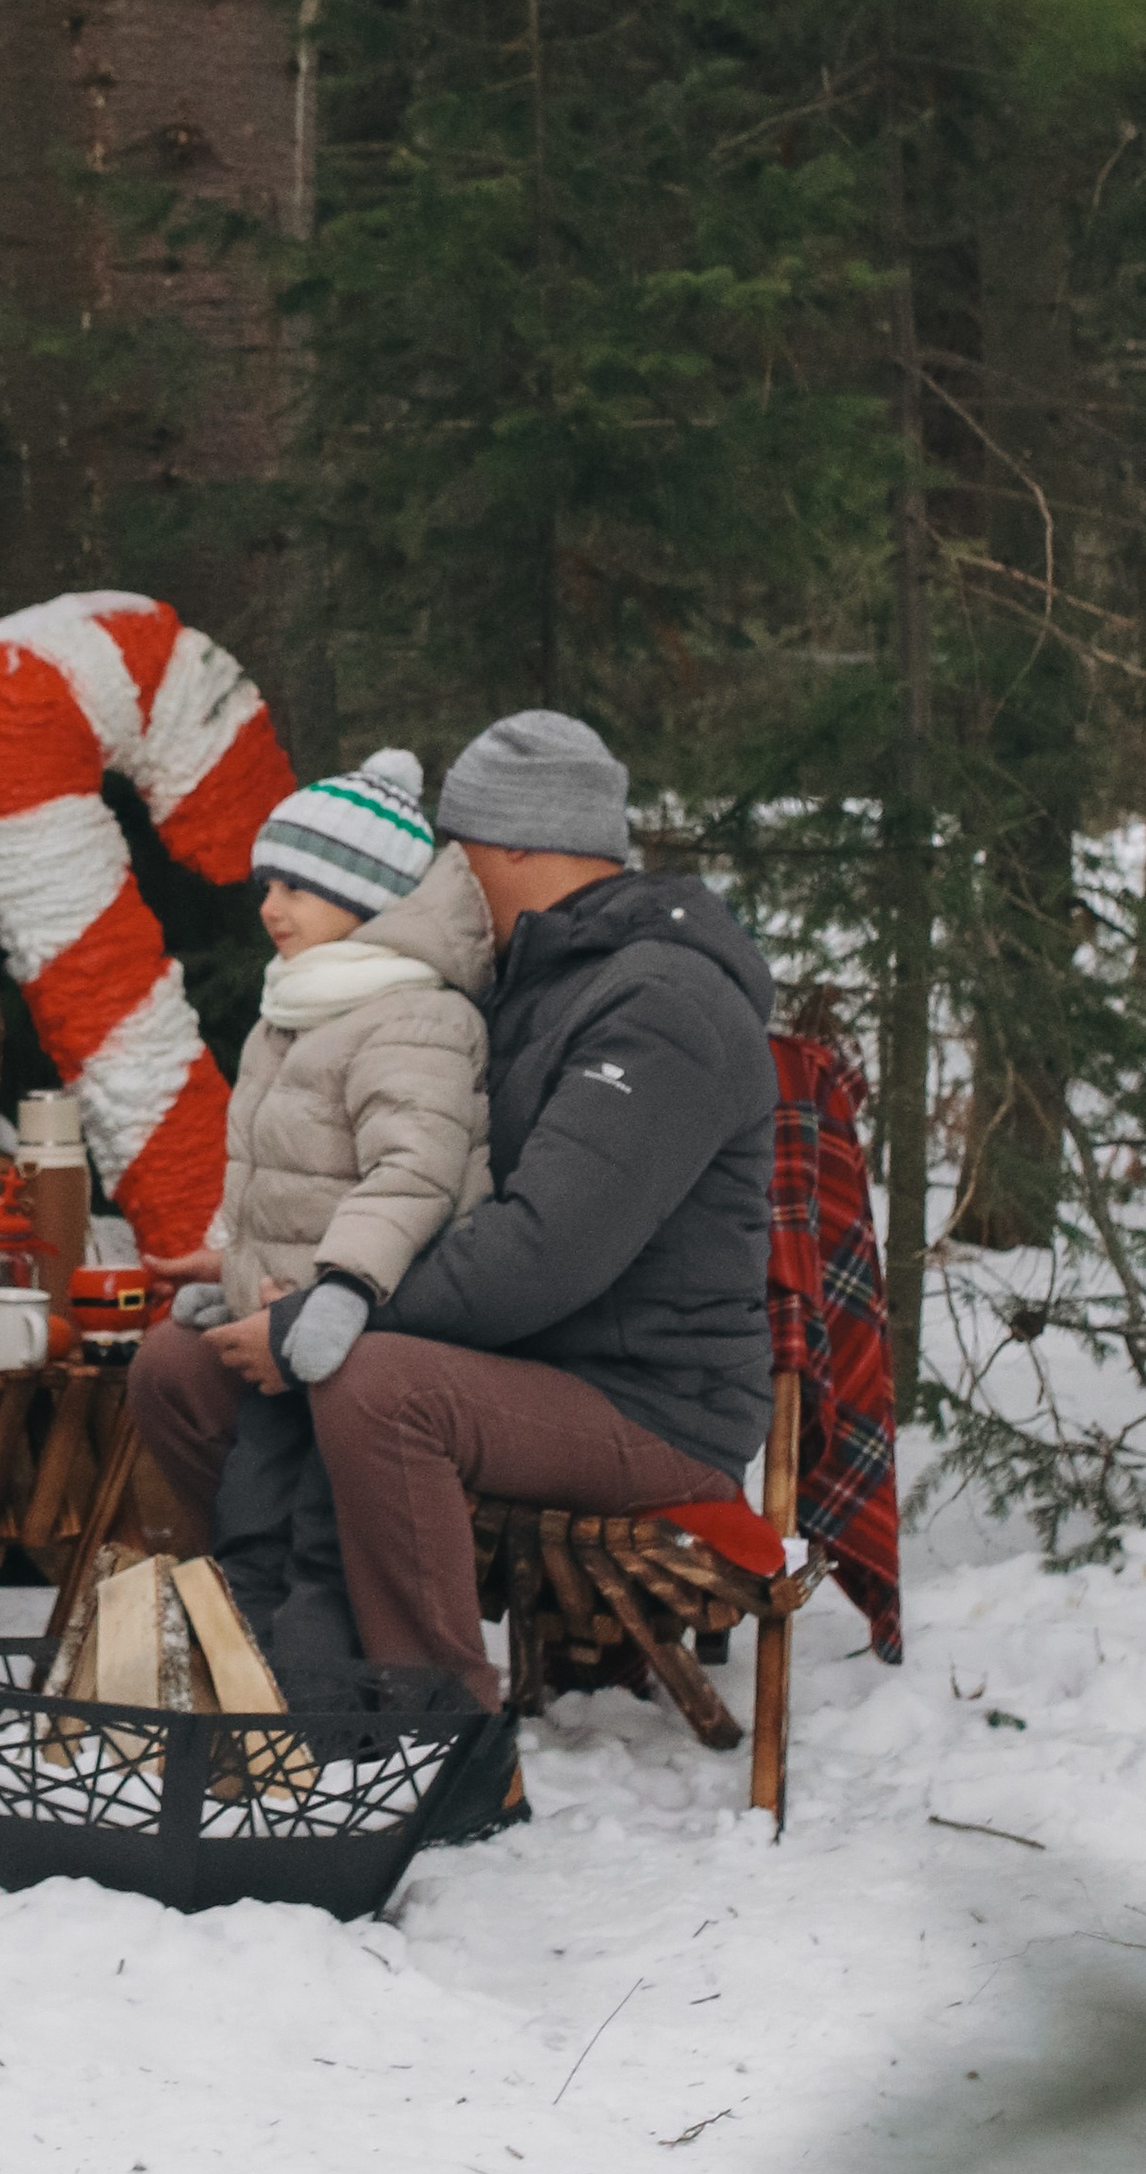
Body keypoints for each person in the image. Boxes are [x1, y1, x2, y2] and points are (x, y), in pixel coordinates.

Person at [129, 708, 777, 1725]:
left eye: (453, 845)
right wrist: (249, 1267)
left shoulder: (662, 1003)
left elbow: (541, 1253)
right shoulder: (512, 980)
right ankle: (276, 1655)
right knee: (179, 1368)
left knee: (374, 1384)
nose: (435, 872)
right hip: (517, 1362)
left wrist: (314, 1316)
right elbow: (418, 1180)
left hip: (648, 1400)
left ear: (516, 839)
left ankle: (438, 1731)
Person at [142, 752, 494, 1670]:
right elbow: (280, 1178)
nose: (270, 905)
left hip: (360, 1338)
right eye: (267, 882)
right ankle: (247, 1716)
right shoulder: (297, 1007)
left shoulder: (414, 1016)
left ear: (369, 894)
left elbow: (413, 1174)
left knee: (323, 1546)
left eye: (299, 884)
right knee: (248, 1525)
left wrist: (340, 1291)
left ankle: (324, 1726)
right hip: (286, 1336)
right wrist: (234, 1282)